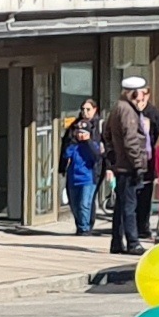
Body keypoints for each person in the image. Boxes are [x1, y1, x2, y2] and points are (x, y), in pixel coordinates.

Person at [102, 76, 149, 256]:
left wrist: (113, 155)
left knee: (121, 206)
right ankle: (133, 242)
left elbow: (106, 134)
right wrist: (138, 165)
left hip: (121, 165)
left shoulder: (117, 108)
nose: (142, 98)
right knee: (129, 206)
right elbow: (131, 141)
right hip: (128, 167)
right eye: (140, 93)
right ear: (134, 93)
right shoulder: (128, 111)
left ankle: (116, 241)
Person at [61, 98, 102, 235]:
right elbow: (65, 150)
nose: (85, 112)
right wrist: (62, 166)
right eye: (83, 109)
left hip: (92, 173)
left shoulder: (99, 126)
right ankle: (81, 225)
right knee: (75, 203)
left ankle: (85, 227)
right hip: (74, 174)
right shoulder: (74, 127)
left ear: (95, 110)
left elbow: (99, 153)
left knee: (86, 202)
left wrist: (109, 168)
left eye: (88, 109)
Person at [135, 91, 159, 241]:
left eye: (143, 95)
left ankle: (143, 227)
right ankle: (133, 227)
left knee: (145, 196)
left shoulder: (154, 114)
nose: (140, 99)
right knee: (133, 197)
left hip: (149, 162)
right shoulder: (130, 112)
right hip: (133, 162)